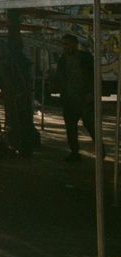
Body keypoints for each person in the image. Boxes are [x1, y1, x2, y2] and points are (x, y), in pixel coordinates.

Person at [54, 33, 95, 162]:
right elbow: (60, 77)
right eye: (63, 44)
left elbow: (93, 75)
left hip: (84, 98)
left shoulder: (85, 58)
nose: (64, 47)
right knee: (71, 128)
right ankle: (74, 152)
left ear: (74, 44)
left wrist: (91, 92)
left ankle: (100, 150)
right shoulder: (62, 60)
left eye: (67, 44)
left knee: (91, 126)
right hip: (69, 99)